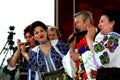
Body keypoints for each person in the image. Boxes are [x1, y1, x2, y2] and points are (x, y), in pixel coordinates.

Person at [82, 9, 120, 80]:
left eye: (102, 21)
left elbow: (103, 58)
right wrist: (99, 73)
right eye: (99, 22)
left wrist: (89, 39)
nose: (99, 25)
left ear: (112, 23)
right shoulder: (109, 38)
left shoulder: (115, 38)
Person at [64, 11, 96, 80]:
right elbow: (74, 58)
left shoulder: (99, 36)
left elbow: (99, 56)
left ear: (87, 21)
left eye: (77, 22)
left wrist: (80, 57)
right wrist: (72, 47)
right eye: (75, 24)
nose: (76, 26)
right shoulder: (83, 38)